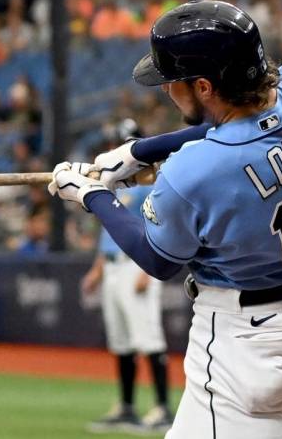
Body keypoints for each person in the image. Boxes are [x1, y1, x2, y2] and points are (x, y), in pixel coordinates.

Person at [50, 0, 282, 438]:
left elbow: (160, 261)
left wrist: (93, 195)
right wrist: (143, 149)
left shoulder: (196, 170)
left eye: (173, 81)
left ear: (205, 86)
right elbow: (258, 122)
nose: (164, 90)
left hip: (246, 339)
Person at [80, 186, 172, 434]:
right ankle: (127, 407)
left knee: (149, 338)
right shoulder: (114, 184)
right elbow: (109, 230)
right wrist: (97, 269)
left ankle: (163, 409)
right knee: (121, 341)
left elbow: (161, 223)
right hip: (111, 265)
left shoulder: (149, 185)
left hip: (136, 264)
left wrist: (148, 270)